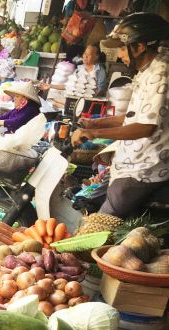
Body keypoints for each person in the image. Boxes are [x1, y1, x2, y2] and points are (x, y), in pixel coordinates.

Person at [71, 13, 169, 219]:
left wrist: (94, 132)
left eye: (123, 48)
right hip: (130, 161)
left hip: (145, 168)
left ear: (140, 47)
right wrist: (94, 123)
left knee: (103, 223)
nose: (120, 54)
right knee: (89, 199)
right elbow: (133, 116)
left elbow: (145, 127)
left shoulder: (161, 73)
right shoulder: (146, 70)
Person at [40, 43, 108, 108]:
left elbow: (100, 90)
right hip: (74, 99)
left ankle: (66, 106)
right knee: (51, 96)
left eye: (89, 55)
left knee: (61, 104)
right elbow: (69, 85)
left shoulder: (100, 71)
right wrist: (50, 86)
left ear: (96, 57)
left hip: (87, 102)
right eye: (85, 53)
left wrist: (86, 95)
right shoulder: (79, 69)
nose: (85, 56)